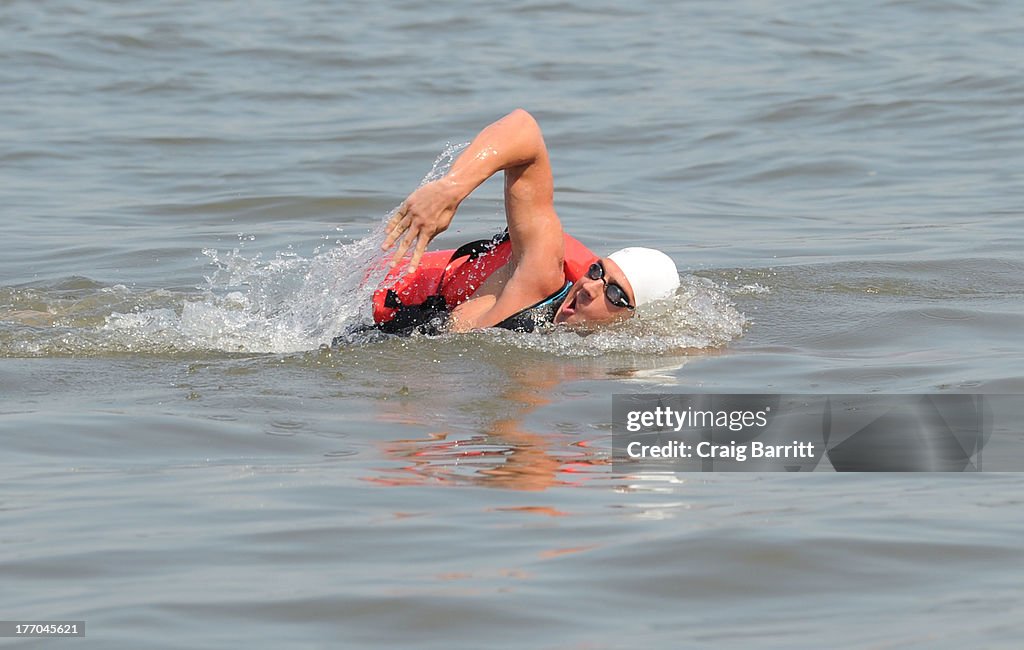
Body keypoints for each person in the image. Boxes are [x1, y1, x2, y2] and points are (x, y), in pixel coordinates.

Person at [378, 109, 679, 334]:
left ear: (632, 319)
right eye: (597, 270)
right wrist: (452, 189)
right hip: (380, 312)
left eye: (614, 293)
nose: (590, 287)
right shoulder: (539, 280)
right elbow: (523, 129)